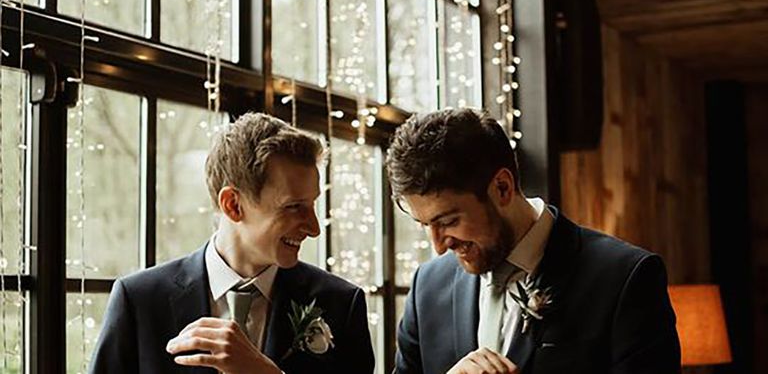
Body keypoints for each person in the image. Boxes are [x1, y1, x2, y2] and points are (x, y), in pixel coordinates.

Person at [385, 108, 681, 374]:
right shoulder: (428, 285)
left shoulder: (625, 279)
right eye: (424, 225)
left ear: (502, 187)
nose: (438, 246)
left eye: (448, 221)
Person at [89, 112, 375, 374]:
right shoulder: (139, 301)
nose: (314, 228)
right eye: (294, 207)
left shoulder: (341, 305)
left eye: (312, 205)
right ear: (233, 205)